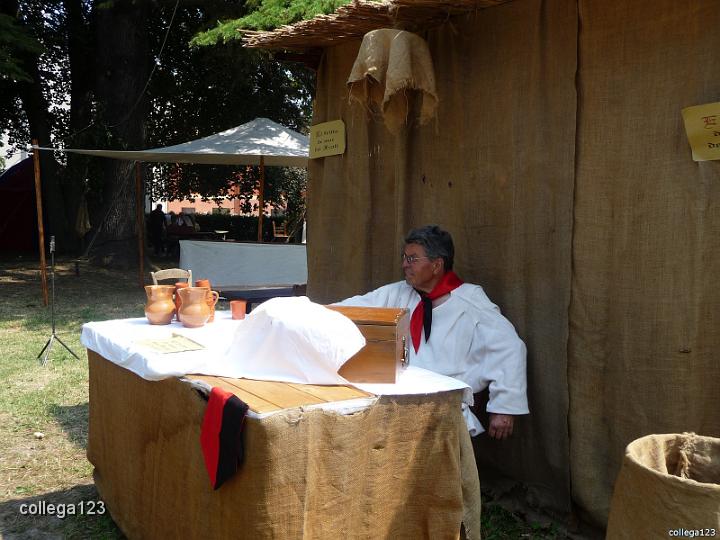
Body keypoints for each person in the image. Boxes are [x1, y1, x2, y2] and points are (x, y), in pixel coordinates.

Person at [335, 225, 528, 439]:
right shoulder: (396, 293)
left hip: (445, 409)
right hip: (396, 405)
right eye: (404, 257)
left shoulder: (470, 301)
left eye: (412, 259)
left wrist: (503, 406)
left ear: (437, 265)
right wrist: (312, 311)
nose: (404, 264)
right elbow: (351, 309)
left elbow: (510, 348)